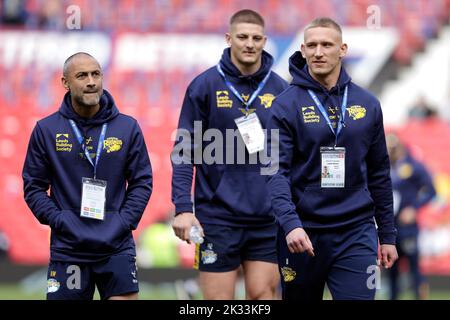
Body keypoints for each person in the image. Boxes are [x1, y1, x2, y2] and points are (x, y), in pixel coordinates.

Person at [265, 17, 398, 300]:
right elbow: (275, 173)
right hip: (302, 234)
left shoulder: (367, 104)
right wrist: (290, 224)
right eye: (311, 45)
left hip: (357, 232)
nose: (318, 52)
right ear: (302, 50)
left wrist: (387, 235)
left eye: (327, 45)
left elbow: (379, 173)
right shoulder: (284, 106)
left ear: (343, 49)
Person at [171, 9, 288, 299]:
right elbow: (185, 150)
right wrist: (183, 208)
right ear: (229, 39)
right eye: (242, 37)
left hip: (267, 218)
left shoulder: (281, 89)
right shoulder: (204, 86)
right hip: (217, 218)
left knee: (265, 297)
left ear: (264, 40)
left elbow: (291, 157)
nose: (250, 43)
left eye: (256, 38)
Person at [22, 52, 153, 300]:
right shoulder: (46, 130)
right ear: (65, 83)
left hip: (116, 245)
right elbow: (33, 188)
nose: (91, 81)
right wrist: (60, 220)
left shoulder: (128, 127)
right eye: (82, 75)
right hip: (69, 248)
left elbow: (141, 182)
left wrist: (123, 221)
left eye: (96, 74)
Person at [386, 133, 436, 300]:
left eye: (392, 147)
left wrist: (414, 209)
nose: (389, 151)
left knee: (414, 270)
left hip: (407, 227)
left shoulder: (414, 166)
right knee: (392, 271)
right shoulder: (384, 167)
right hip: (390, 226)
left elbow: (431, 191)